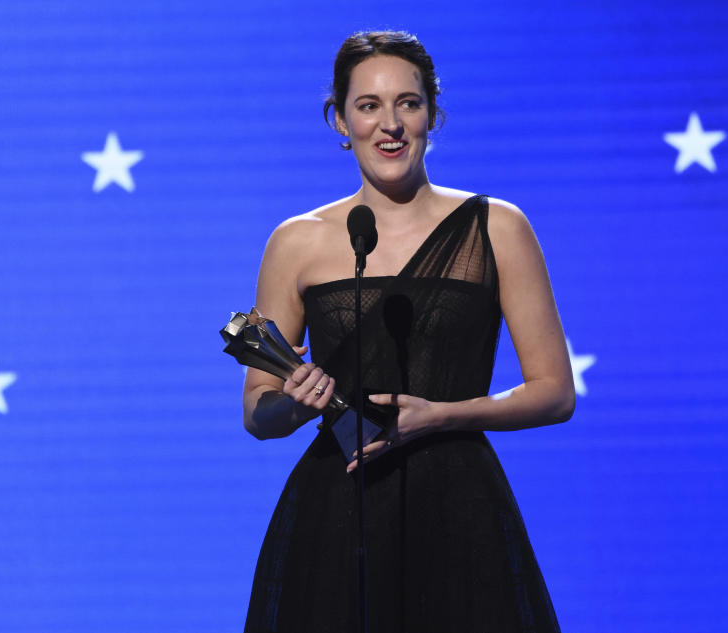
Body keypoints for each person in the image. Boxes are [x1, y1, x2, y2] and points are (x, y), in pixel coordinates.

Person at [241, 30, 575, 633]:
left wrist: (444, 415)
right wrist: (291, 407)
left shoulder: (497, 227)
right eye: (368, 105)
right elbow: (257, 413)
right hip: (337, 511)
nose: (389, 124)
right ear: (340, 121)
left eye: (408, 103)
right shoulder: (296, 242)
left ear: (432, 115)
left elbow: (554, 391)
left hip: (458, 508)